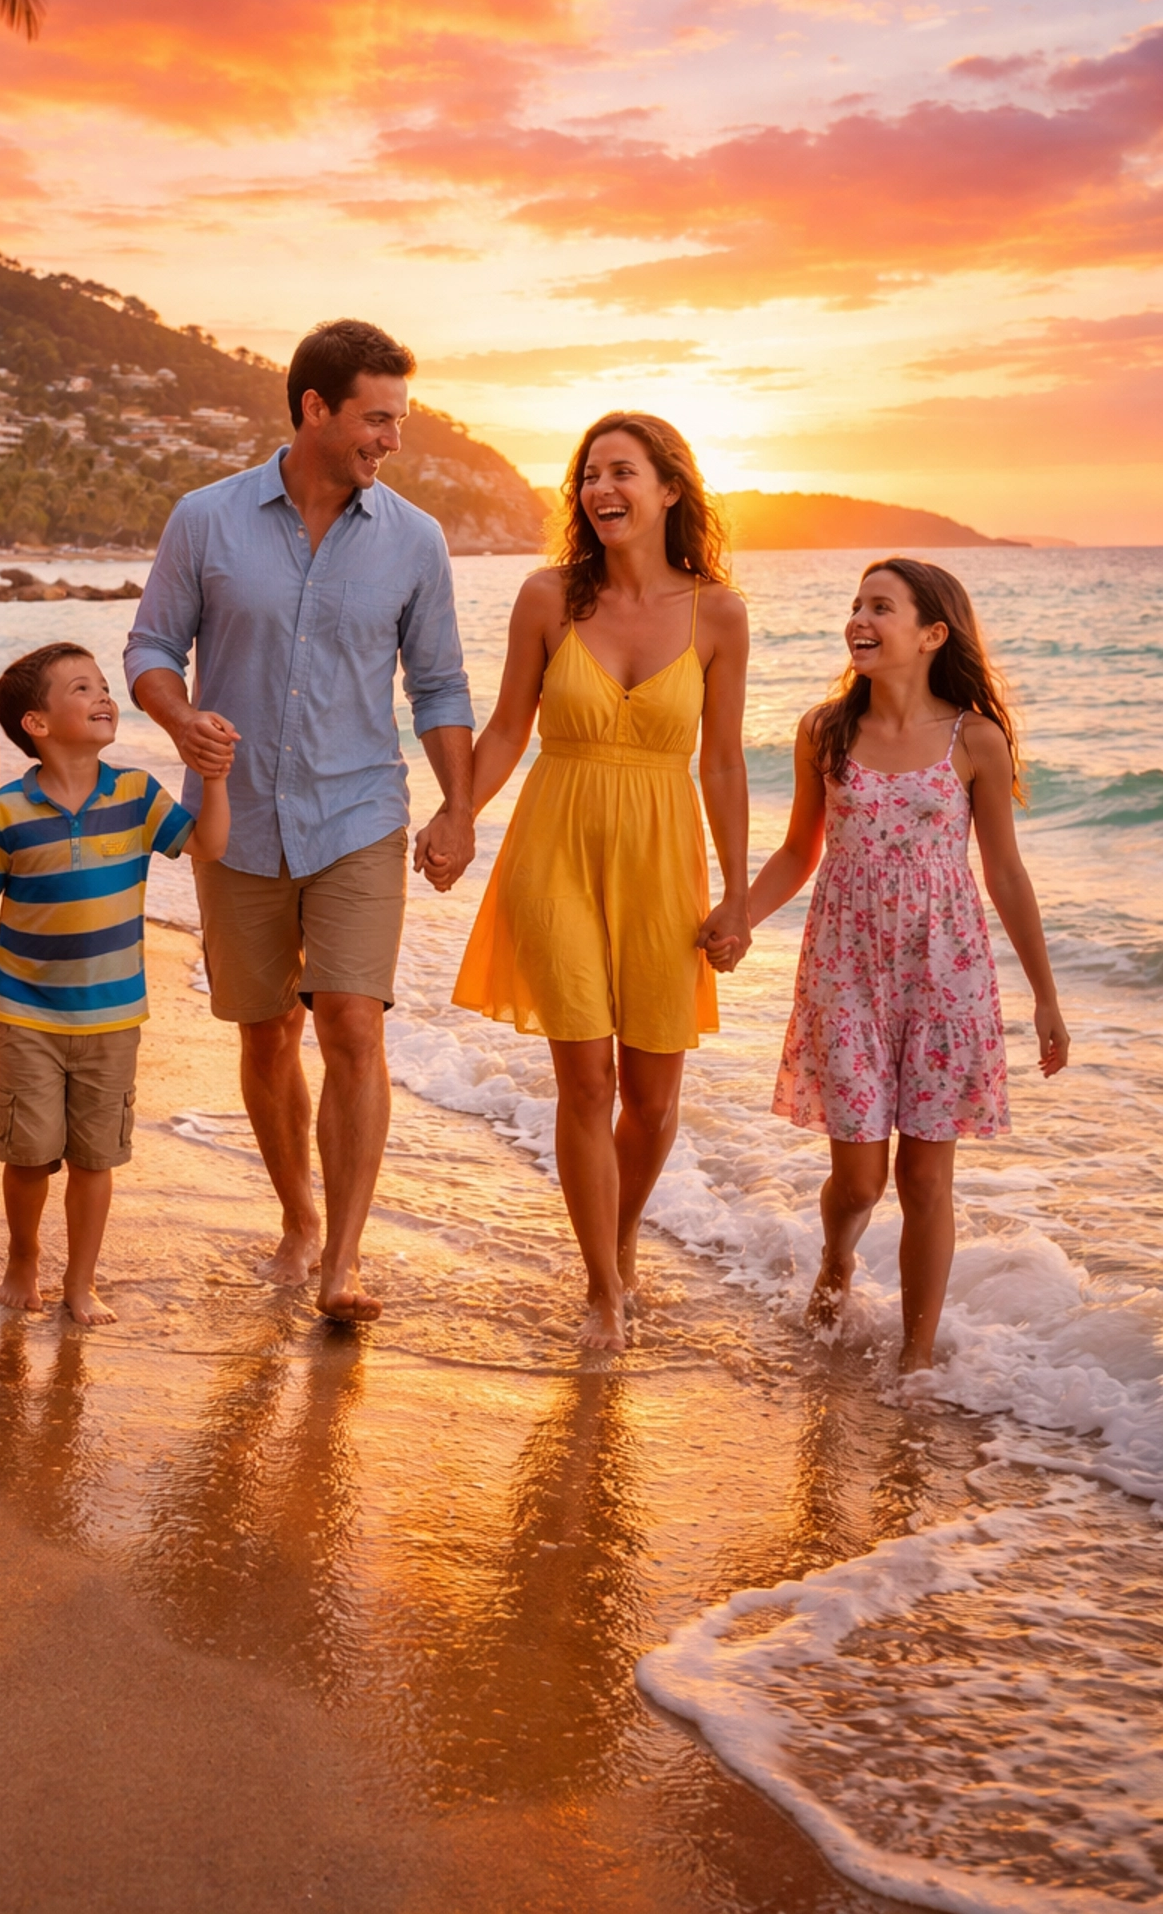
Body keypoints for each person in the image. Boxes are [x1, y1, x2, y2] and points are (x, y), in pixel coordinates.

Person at [125, 317, 475, 1325]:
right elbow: (150, 647)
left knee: (353, 1021)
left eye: (399, 420)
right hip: (235, 819)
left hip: (360, 809)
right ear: (315, 409)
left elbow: (441, 685)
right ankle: (298, 1217)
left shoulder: (415, 539)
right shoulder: (207, 519)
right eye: (377, 418)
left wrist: (459, 806)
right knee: (267, 1030)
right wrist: (180, 717)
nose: (391, 440)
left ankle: (344, 1263)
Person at [452, 414, 751, 1355]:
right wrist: (457, 812)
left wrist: (739, 894)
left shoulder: (719, 613)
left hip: (664, 860)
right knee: (586, 1081)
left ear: (670, 489)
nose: (599, 489)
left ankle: (621, 1236)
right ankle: (601, 1289)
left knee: (653, 1094)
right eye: (588, 475)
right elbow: (506, 730)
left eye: (622, 472)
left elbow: (726, 767)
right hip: (555, 847)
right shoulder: (549, 598)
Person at [734, 557, 1069, 1372]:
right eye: (856, 604)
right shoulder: (826, 730)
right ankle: (837, 1260)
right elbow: (797, 851)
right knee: (858, 1179)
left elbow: (1007, 875)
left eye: (881, 606)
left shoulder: (975, 740)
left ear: (931, 634)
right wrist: (735, 916)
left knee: (925, 1177)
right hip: (845, 967)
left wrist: (1045, 999)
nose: (860, 618)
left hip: (944, 973)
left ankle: (917, 1358)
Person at [0, 644, 230, 1325]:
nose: (103, 696)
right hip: (25, 1012)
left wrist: (212, 778)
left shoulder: (138, 796)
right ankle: (22, 1259)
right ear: (36, 723)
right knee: (29, 1155)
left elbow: (209, 846)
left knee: (96, 1159)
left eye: (103, 685)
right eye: (82, 688)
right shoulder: (6, 812)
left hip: (113, 1016)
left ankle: (81, 1280)